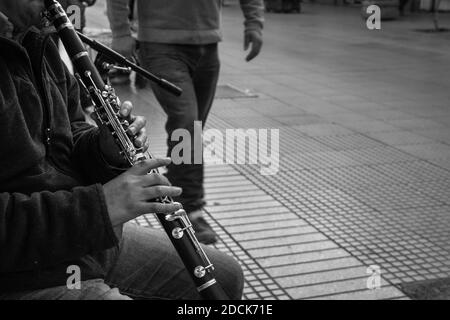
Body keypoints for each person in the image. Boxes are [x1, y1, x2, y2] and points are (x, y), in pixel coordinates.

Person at [0, 0, 243, 300]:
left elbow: (71, 132)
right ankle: (191, 200)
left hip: (84, 241)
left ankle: (191, 200)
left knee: (227, 277)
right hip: (24, 273)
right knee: (187, 123)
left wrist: (104, 149)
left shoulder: (36, 37)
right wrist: (101, 206)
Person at [106, 0, 264, 244]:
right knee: (187, 124)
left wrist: (254, 23)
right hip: (160, 45)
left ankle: (176, 192)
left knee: (192, 129)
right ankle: (190, 207)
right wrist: (121, 31)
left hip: (208, 46)